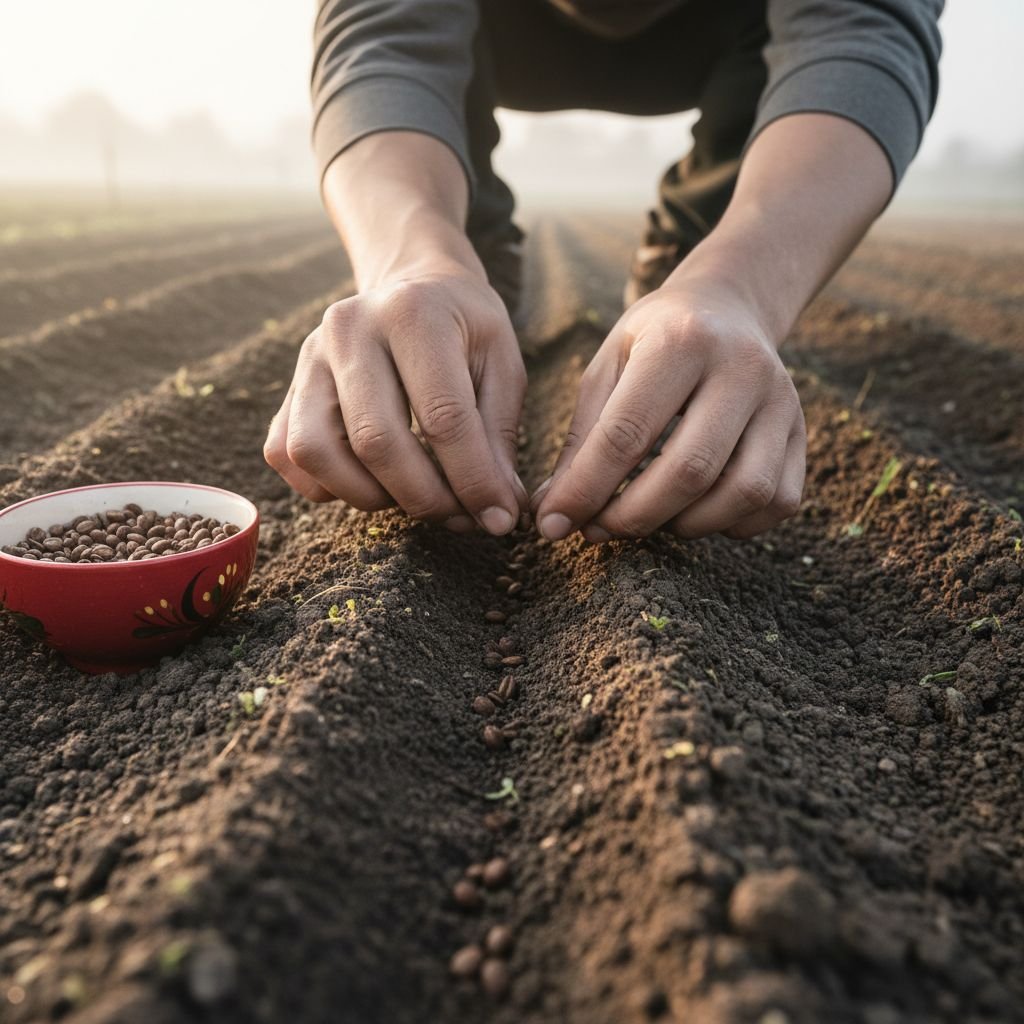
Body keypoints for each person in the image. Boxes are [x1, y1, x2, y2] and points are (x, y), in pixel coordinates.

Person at [264, 0, 942, 542]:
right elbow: (381, 40)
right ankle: (471, 261)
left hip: (744, 28)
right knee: (435, 305)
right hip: (486, 25)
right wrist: (410, 260)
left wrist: (738, 288)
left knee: (703, 323)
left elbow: (864, 35)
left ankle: (694, 255)